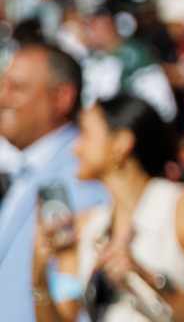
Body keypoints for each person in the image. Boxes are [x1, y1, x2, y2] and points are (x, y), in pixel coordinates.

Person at [36, 94, 184, 322]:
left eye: (85, 134)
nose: (75, 148)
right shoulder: (86, 226)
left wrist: (147, 279)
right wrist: (38, 276)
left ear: (121, 143)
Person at [5, 41, 108, 312]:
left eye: (17, 88)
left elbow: (73, 294)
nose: (2, 98)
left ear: (62, 97)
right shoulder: (26, 170)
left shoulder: (81, 173)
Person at [79, 5, 179, 123]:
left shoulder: (136, 54)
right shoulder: (92, 57)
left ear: (109, 25)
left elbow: (162, 105)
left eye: (95, 26)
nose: (90, 32)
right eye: (89, 26)